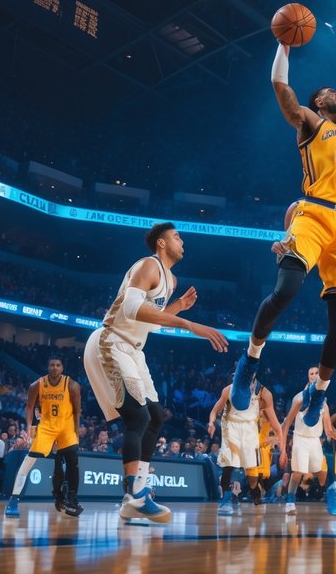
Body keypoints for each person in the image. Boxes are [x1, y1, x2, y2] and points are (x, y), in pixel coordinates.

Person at [230, 3, 336, 426]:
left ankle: (320, 393)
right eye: (325, 93)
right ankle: (249, 362)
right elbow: (281, 87)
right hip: (313, 214)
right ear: (318, 102)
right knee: (286, 291)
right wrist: (284, 44)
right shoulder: (311, 123)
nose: (333, 92)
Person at [82, 223, 228, 524]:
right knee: (138, 417)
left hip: (135, 349)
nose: (182, 241)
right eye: (177, 237)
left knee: (157, 415)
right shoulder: (149, 265)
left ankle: (136, 493)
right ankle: (133, 494)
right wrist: (189, 325)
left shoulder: (170, 279)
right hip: (113, 340)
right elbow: (132, 310)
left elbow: (150, 322)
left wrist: (176, 308)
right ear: (161, 243)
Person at [6, 357, 84, 518]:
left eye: (58, 365)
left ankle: (72, 498)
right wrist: (28, 427)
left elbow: (77, 411)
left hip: (66, 428)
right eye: (52, 365)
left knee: (72, 463)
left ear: (62, 368)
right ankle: (13, 500)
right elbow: (29, 407)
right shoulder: (37, 385)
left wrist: (76, 433)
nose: (55, 368)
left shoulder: (72, 385)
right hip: (46, 427)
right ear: (47, 367)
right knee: (29, 461)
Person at [207, 377, 284, 515]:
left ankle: (256, 496)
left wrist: (281, 445)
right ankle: (225, 499)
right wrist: (211, 423)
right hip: (231, 428)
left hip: (250, 432)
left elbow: (277, 424)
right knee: (228, 467)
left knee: (254, 477)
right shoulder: (228, 390)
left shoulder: (264, 393)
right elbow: (214, 411)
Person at [279, 366, 336, 515]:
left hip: (315, 440)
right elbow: (286, 424)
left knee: (322, 472)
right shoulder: (299, 397)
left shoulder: (324, 403)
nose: (315, 375)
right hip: (300, 438)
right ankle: (290, 501)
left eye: (317, 373)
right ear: (308, 377)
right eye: (312, 373)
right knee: (297, 472)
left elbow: (329, 428)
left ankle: (324, 490)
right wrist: (283, 450)